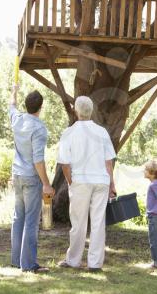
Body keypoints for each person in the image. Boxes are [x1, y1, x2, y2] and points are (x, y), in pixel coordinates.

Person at [57, 96, 116, 271]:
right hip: (101, 181)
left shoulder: (69, 133)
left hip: (80, 181)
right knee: (98, 222)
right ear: (91, 111)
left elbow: (64, 163)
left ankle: (73, 260)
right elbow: (108, 162)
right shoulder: (102, 132)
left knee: (78, 222)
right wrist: (112, 184)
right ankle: (95, 263)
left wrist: (70, 181)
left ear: (76, 111)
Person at [9, 85, 54, 273]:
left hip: (16, 175)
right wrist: (46, 184)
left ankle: (16, 260)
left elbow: (11, 106)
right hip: (30, 178)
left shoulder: (17, 119)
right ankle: (28, 264)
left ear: (27, 106)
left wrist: (14, 91)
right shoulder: (39, 129)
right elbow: (38, 159)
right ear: (40, 107)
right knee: (30, 220)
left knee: (18, 217)